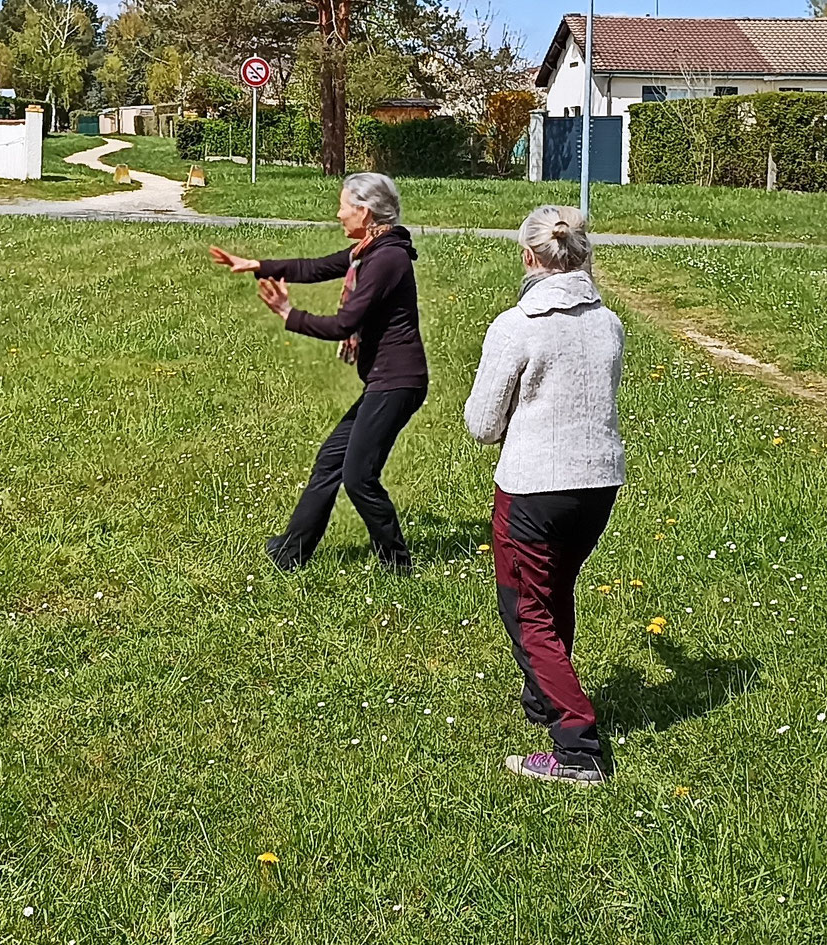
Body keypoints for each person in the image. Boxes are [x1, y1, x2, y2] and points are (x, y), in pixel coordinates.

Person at [463, 205, 625, 787]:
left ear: (529, 257)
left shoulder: (517, 324)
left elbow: (482, 424)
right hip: (598, 483)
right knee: (555, 591)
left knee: (527, 610)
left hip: (534, 487)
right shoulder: (608, 322)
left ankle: (577, 748)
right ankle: (544, 700)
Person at [209, 172, 429, 574]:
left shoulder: (387, 259)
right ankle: (289, 554)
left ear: (364, 211)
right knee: (331, 462)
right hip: (384, 381)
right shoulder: (370, 250)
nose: (338, 212)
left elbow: (344, 324)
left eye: (344, 205)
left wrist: (289, 315)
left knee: (360, 478)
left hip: (397, 383)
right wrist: (257, 264)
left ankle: (398, 567)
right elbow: (316, 267)